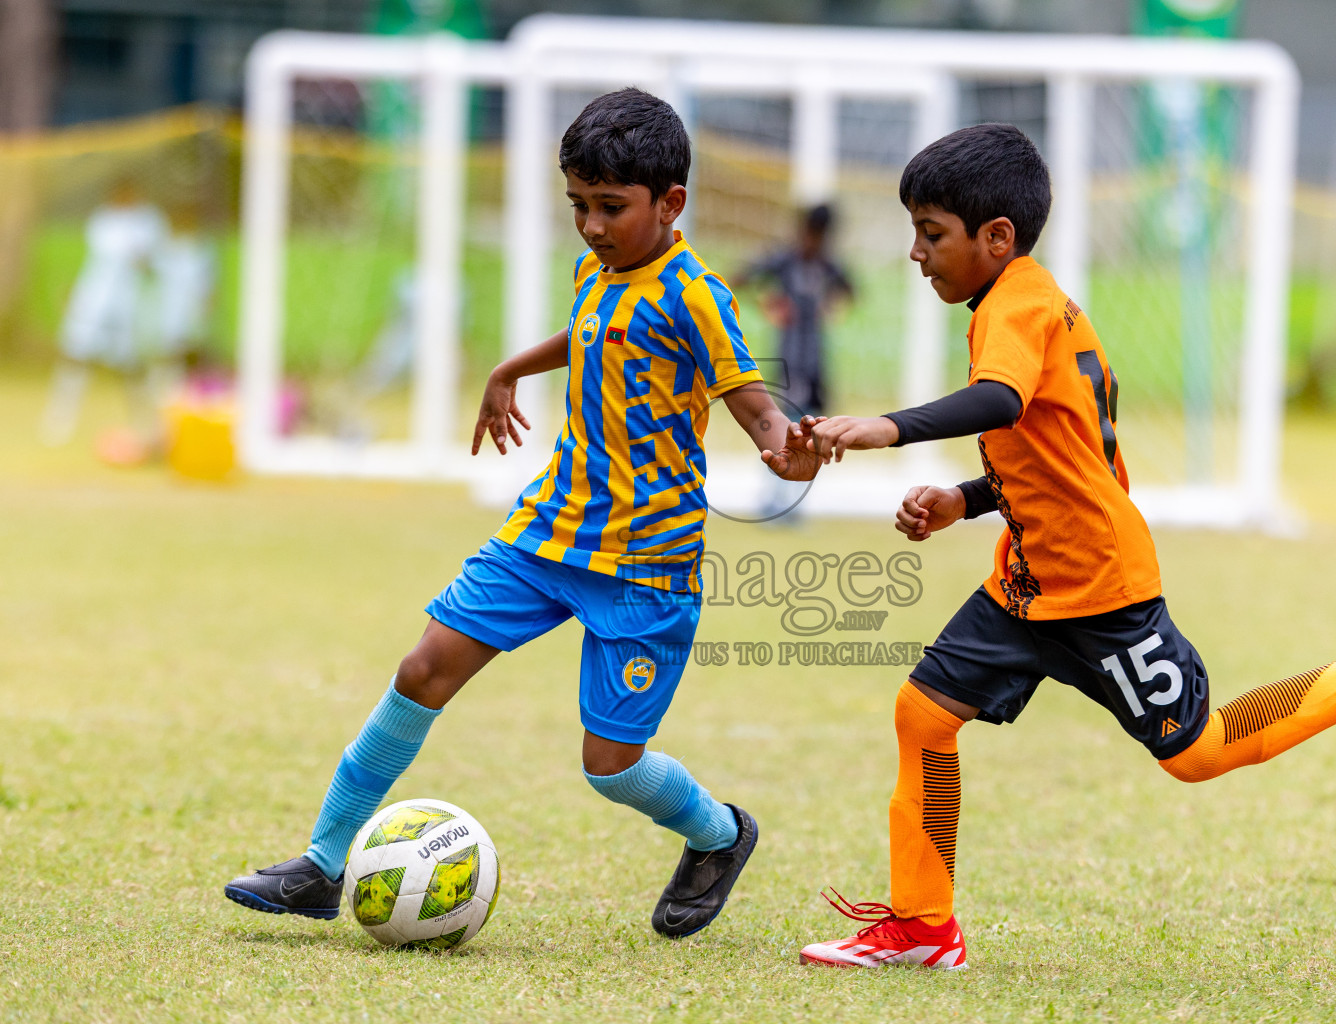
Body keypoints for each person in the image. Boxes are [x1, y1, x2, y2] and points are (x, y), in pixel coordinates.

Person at [795, 123, 1336, 970]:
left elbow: (995, 402)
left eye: (931, 232)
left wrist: (885, 427)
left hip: (1099, 589)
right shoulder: (1028, 301)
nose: (916, 253)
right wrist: (965, 498)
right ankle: (922, 926)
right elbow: (1066, 456)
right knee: (924, 713)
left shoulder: (1014, 306)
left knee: (1199, 753)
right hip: (1029, 584)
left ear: (996, 238)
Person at [224, 88, 820, 938]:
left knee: (610, 769)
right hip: (546, 533)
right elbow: (588, 330)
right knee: (422, 668)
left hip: (644, 564)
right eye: (578, 205)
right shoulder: (596, 269)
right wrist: (509, 367)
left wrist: (781, 446)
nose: (591, 226)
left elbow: (754, 404)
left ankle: (720, 835)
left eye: (610, 208)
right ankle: (323, 864)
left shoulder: (698, 298)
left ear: (671, 203)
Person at [40, 180, 166, 447]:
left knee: (131, 367)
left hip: (127, 305)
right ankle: (58, 422)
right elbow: (106, 256)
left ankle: (145, 425)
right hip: (95, 300)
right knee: (76, 358)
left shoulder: (149, 220)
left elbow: (149, 263)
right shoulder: (103, 220)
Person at [737, 203, 853, 419]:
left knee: (818, 414)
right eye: (812, 233)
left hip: (816, 353)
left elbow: (850, 291)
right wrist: (767, 302)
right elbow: (737, 280)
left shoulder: (827, 262)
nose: (815, 241)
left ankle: (810, 451)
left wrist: (831, 303)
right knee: (791, 414)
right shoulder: (783, 259)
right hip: (790, 352)